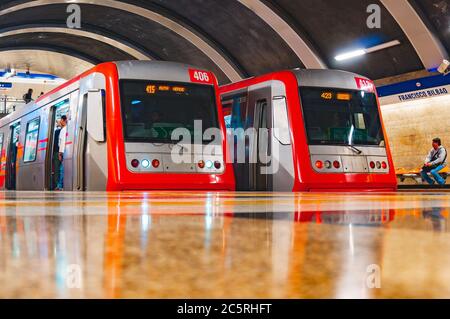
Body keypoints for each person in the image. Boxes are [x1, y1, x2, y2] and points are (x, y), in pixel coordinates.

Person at [56, 115, 68, 190]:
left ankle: (60, 185)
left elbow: (62, 142)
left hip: (63, 152)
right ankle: (60, 185)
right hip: (65, 151)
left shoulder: (64, 130)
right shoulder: (66, 129)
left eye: (61, 120)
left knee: (61, 169)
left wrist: (60, 153)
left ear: (64, 120)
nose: (60, 121)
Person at [52, 121, 62, 190]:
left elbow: (55, 143)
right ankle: (60, 184)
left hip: (56, 152)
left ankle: (57, 184)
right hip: (62, 152)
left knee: (56, 169)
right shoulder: (63, 130)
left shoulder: (56, 132)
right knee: (60, 169)